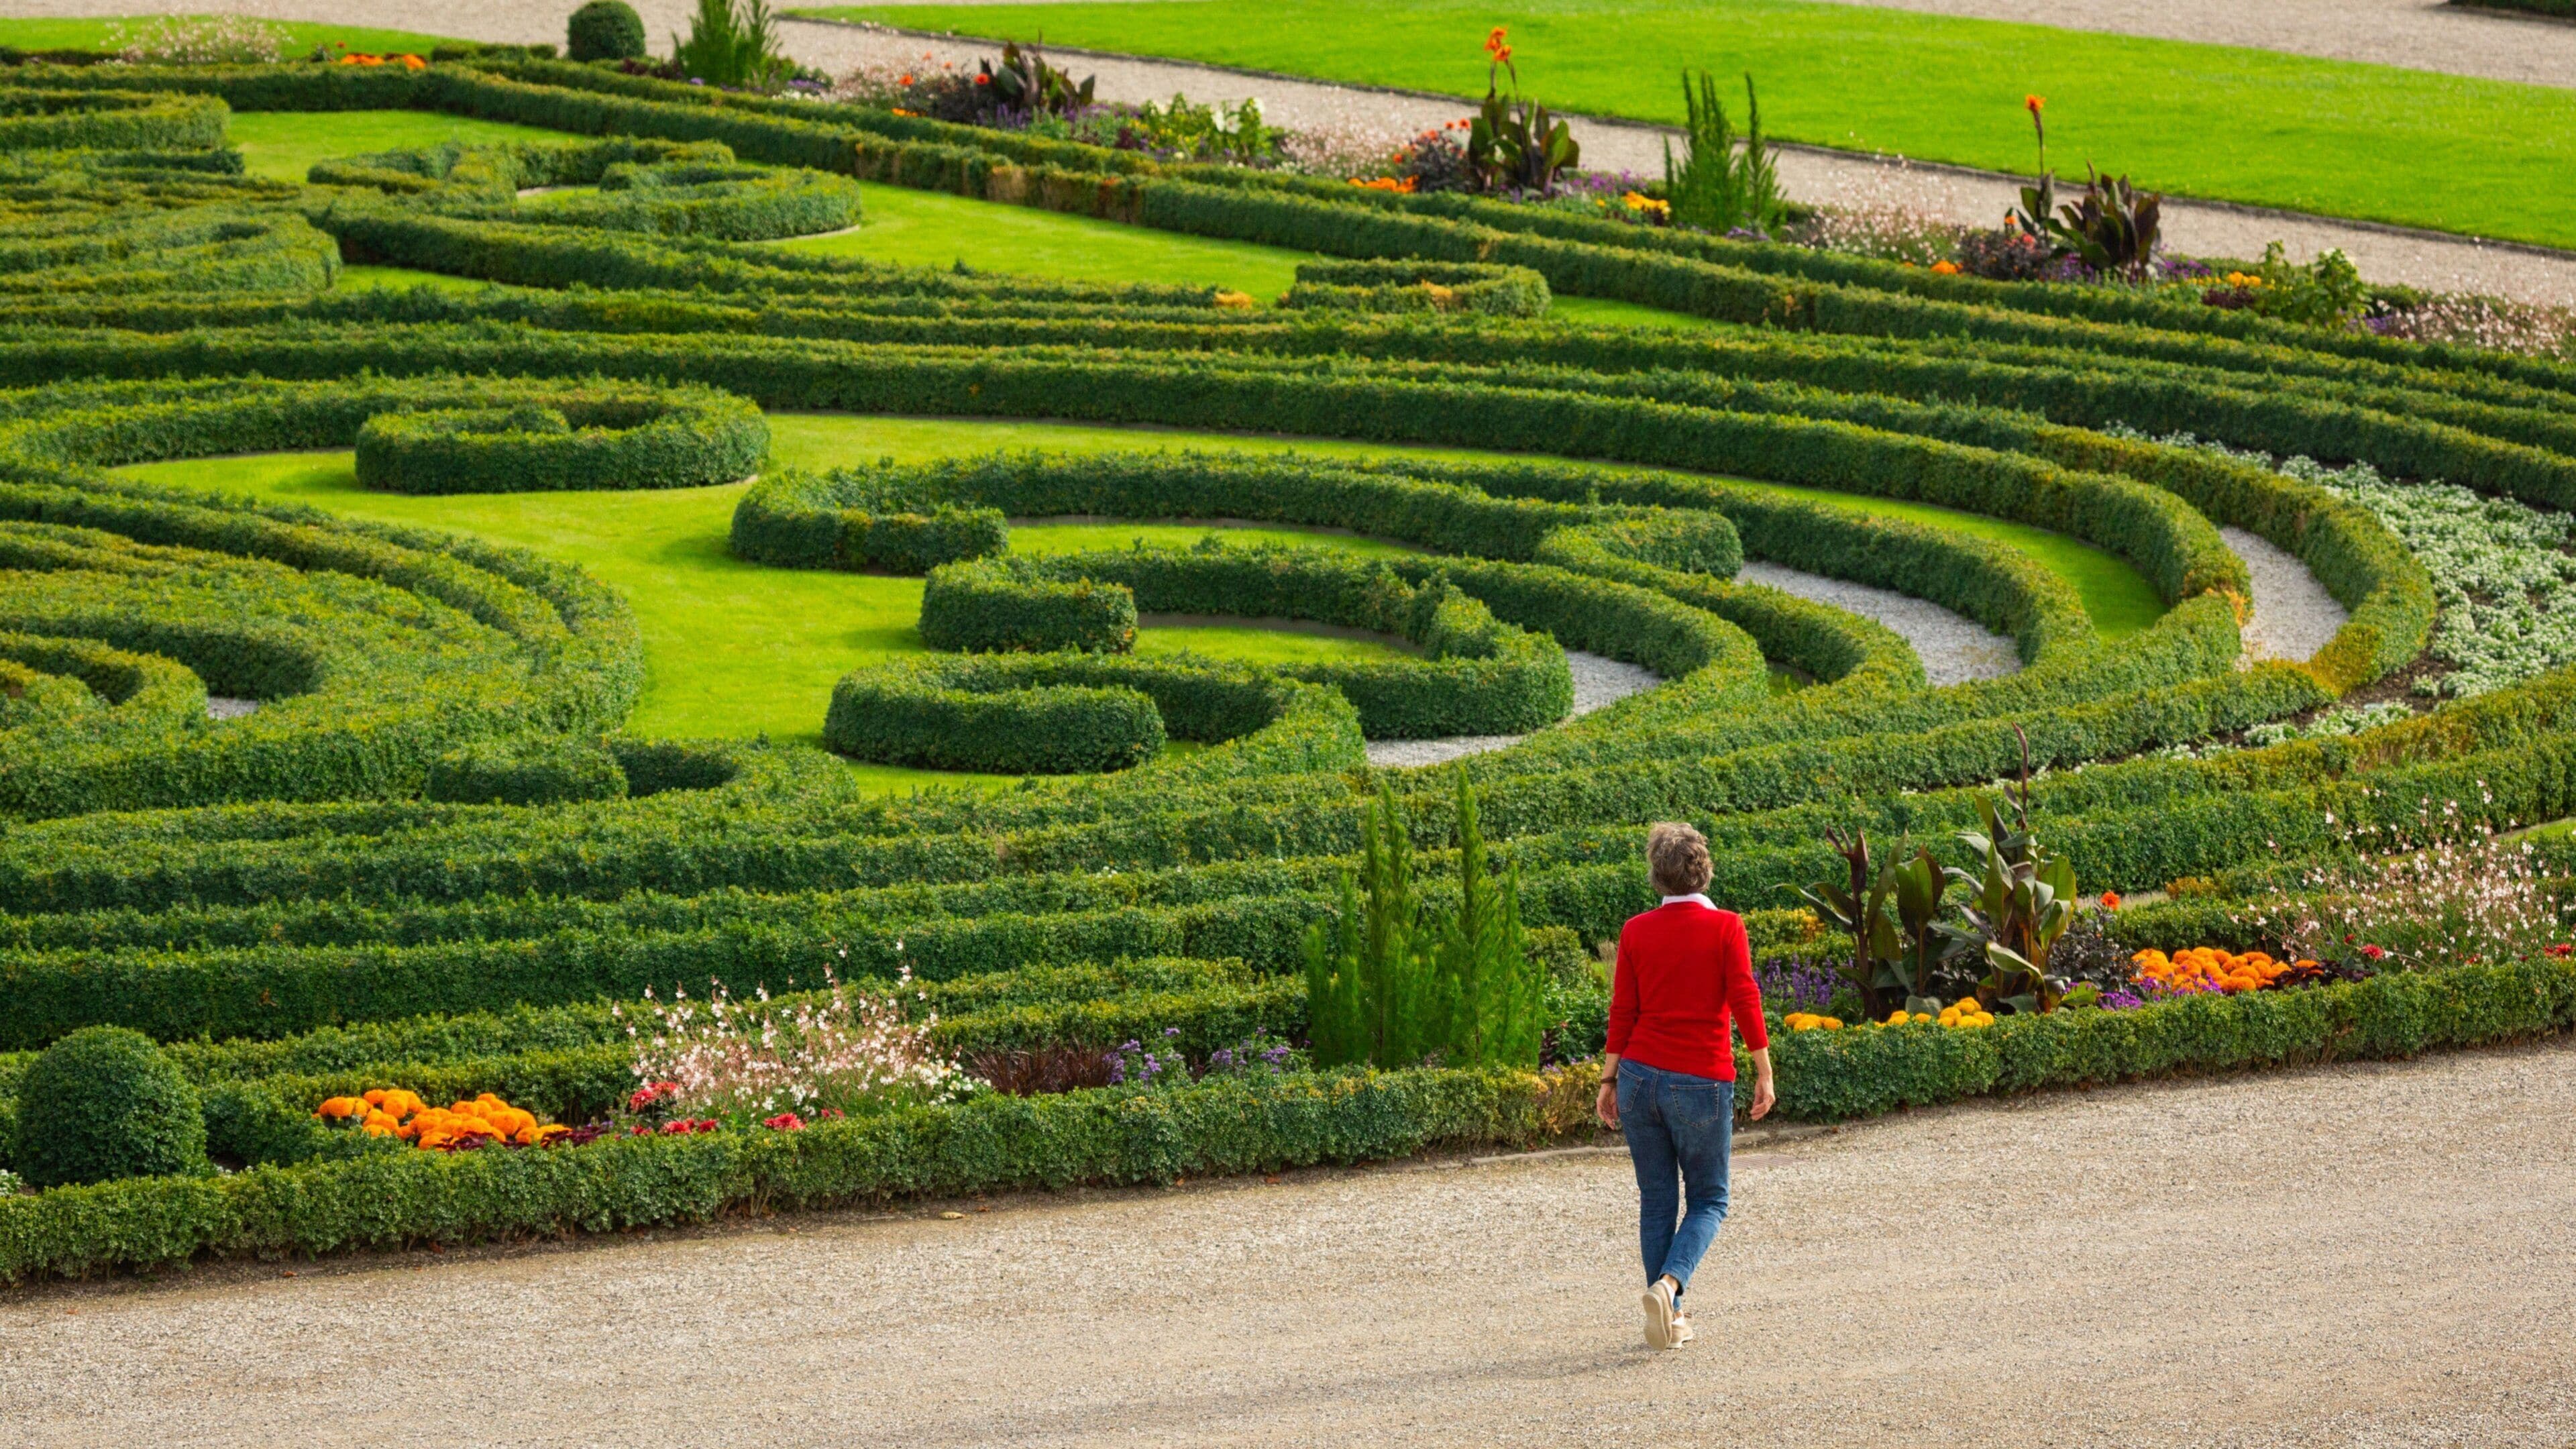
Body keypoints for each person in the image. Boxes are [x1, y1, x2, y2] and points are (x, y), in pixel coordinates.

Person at [1595, 820, 1774, 1350]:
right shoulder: (1726, 927)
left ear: (1657, 876)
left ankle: (1670, 1320)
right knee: (1710, 1199)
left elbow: (1623, 1010)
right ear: (1705, 871)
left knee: (1656, 1200)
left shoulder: (1635, 931)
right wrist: (1764, 1070)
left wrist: (1608, 1079)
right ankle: (1669, 1289)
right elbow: (1744, 998)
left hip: (1638, 1076)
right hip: (1700, 1080)